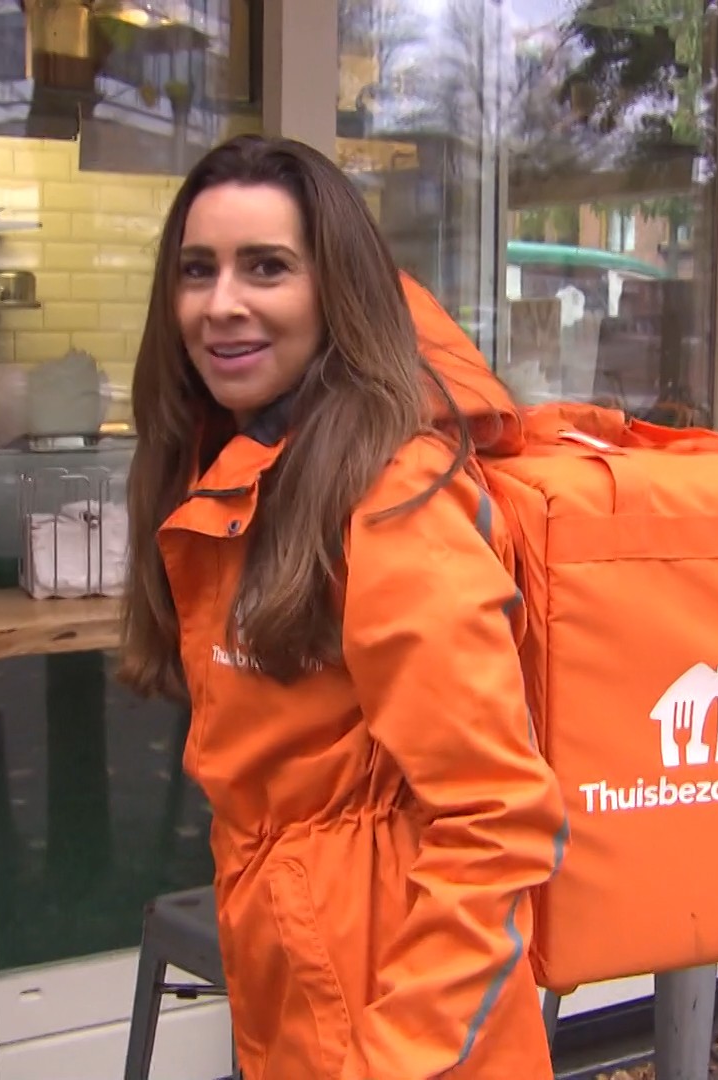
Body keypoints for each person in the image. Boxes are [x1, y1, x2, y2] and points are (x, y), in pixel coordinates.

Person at [118, 134, 568, 1078]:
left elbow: (497, 820)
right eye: (198, 270)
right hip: (308, 995)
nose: (222, 302)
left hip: (406, 1032)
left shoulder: (391, 498)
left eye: (266, 267)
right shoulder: (238, 469)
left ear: (336, 291)